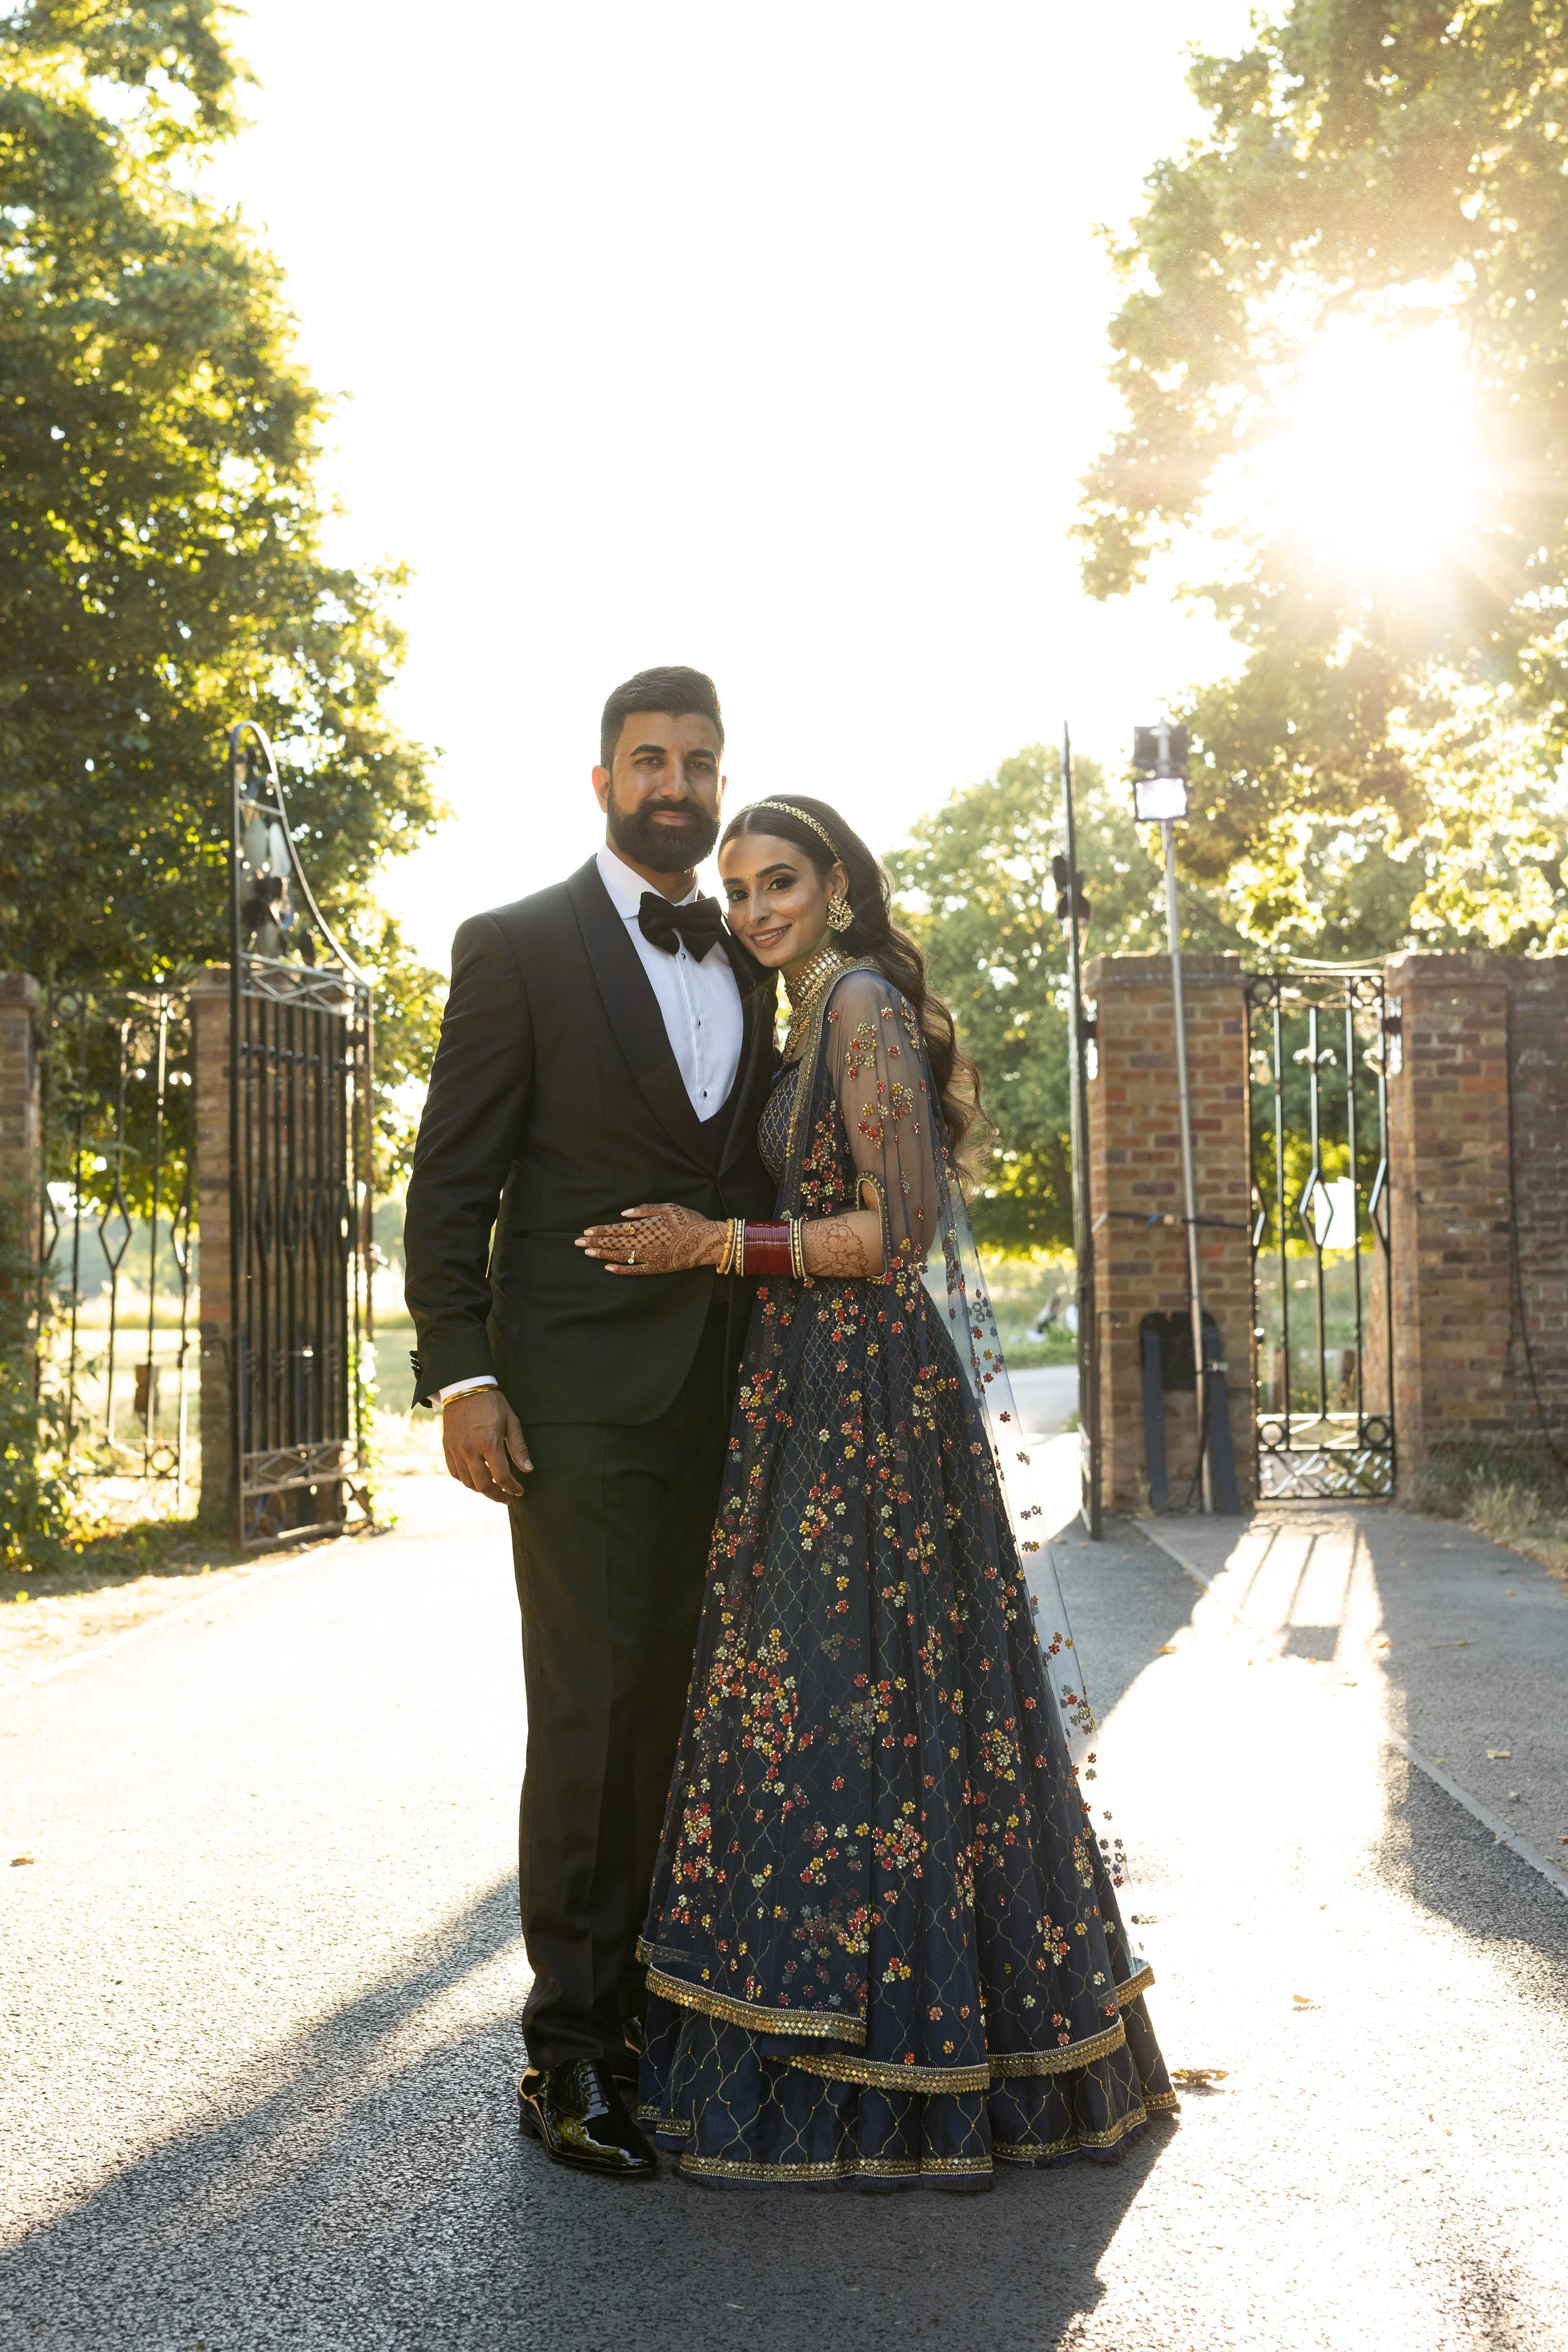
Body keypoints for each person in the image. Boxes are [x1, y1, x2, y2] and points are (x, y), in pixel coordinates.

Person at [575, 795, 1177, 2190]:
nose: (754, 910)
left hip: (864, 1403)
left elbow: (896, 1233)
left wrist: (709, 1244)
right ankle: (834, 2027)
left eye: (777, 880)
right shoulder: (812, 1018)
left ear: (835, 883)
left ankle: (892, 2056)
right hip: (809, 1389)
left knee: (857, 1694)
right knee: (834, 1700)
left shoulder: (852, 1005)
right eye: (736, 892)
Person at [401, 667, 780, 2180]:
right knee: (593, 1716)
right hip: (571, 1403)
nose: (673, 781)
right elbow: (454, 1182)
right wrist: (462, 1372)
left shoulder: (756, 952)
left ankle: (661, 2008)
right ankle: (568, 2055)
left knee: (695, 1715)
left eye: (696, 759)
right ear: (602, 777)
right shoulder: (517, 947)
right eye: (647, 758)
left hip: (738, 1396)